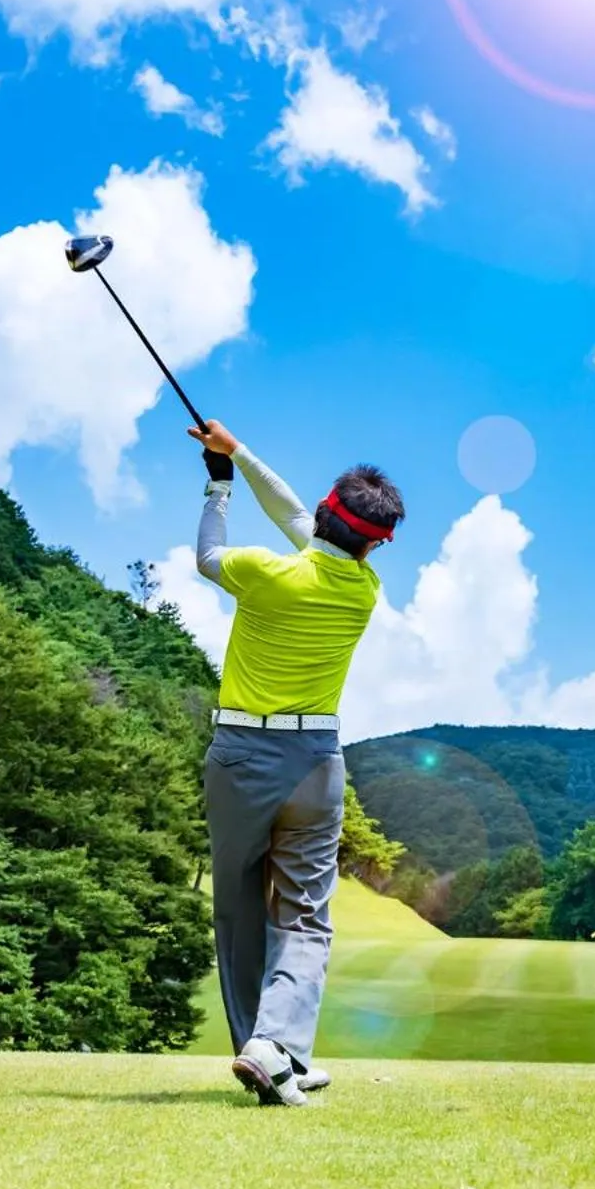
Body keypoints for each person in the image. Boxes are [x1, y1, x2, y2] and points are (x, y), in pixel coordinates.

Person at [189, 418, 405, 1107]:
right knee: (306, 914)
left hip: (240, 758)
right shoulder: (363, 592)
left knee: (239, 909)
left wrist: (219, 483)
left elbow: (208, 557)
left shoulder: (265, 574)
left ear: (323, 513)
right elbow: (300, 518)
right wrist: (240, 451)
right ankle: (277, 1046)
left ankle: (266, 1045)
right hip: (315, 761)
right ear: (376, 543)